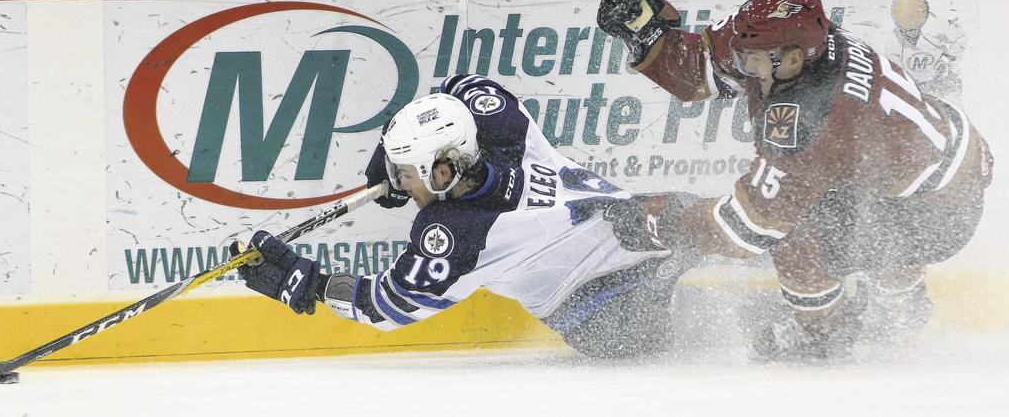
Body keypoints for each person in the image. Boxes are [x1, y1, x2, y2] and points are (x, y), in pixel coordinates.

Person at [596, 0, 993, 360]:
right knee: (852, 202)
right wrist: (648, 32)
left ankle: (823, 330)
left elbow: (751, 228)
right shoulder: (799, 40)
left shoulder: (811, 115)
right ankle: (902, 302)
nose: (740, 65)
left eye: (750, 60)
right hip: (944, 156)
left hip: (942, 213)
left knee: (794, 225)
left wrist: (661, 222)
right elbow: (702, 69)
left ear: (794, 59)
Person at [231, 74, 702, 358]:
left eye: (406, 173)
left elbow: (384, 306)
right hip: (610, 305)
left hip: (619, 288)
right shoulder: (504, 133)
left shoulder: (459, 233)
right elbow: (460, 85)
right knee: (687, 230)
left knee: (689, 221)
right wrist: (390, 148)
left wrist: (305, 283)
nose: (399, 183)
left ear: (442, 170)